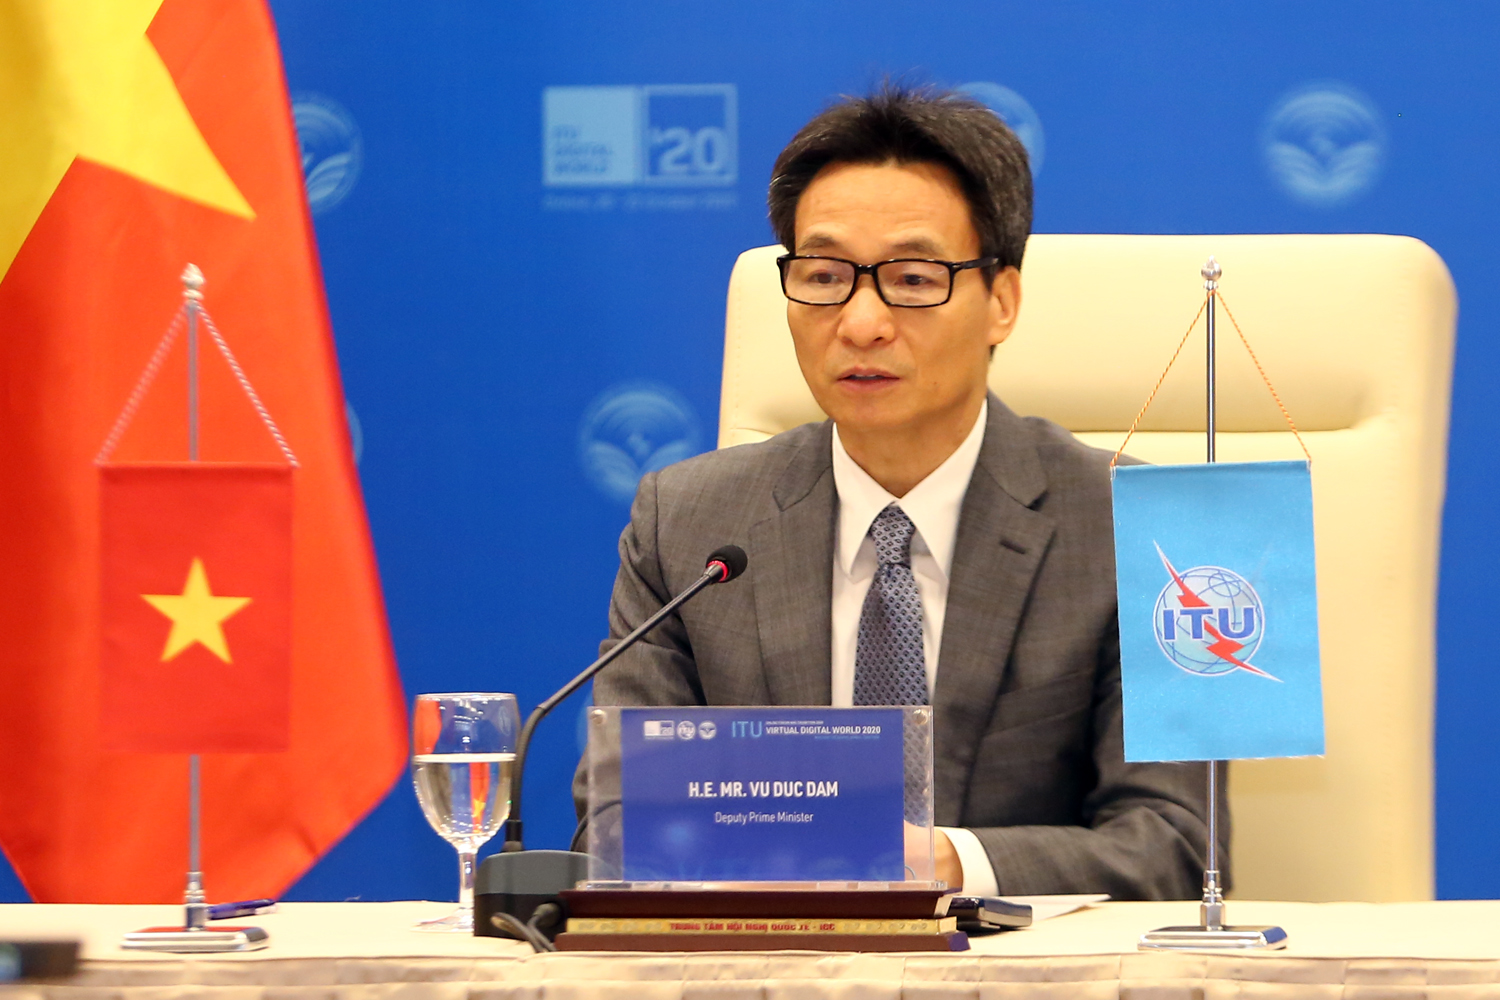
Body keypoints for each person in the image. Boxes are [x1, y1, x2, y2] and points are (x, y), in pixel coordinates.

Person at [581, 85, 1222, 899]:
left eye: (913, 279)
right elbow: (621, 829)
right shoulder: (689, 528)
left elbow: (1175, 844)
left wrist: (947, 863)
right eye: (823, 276)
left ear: (1001, 301)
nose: (861, 322)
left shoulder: (1143, 529)